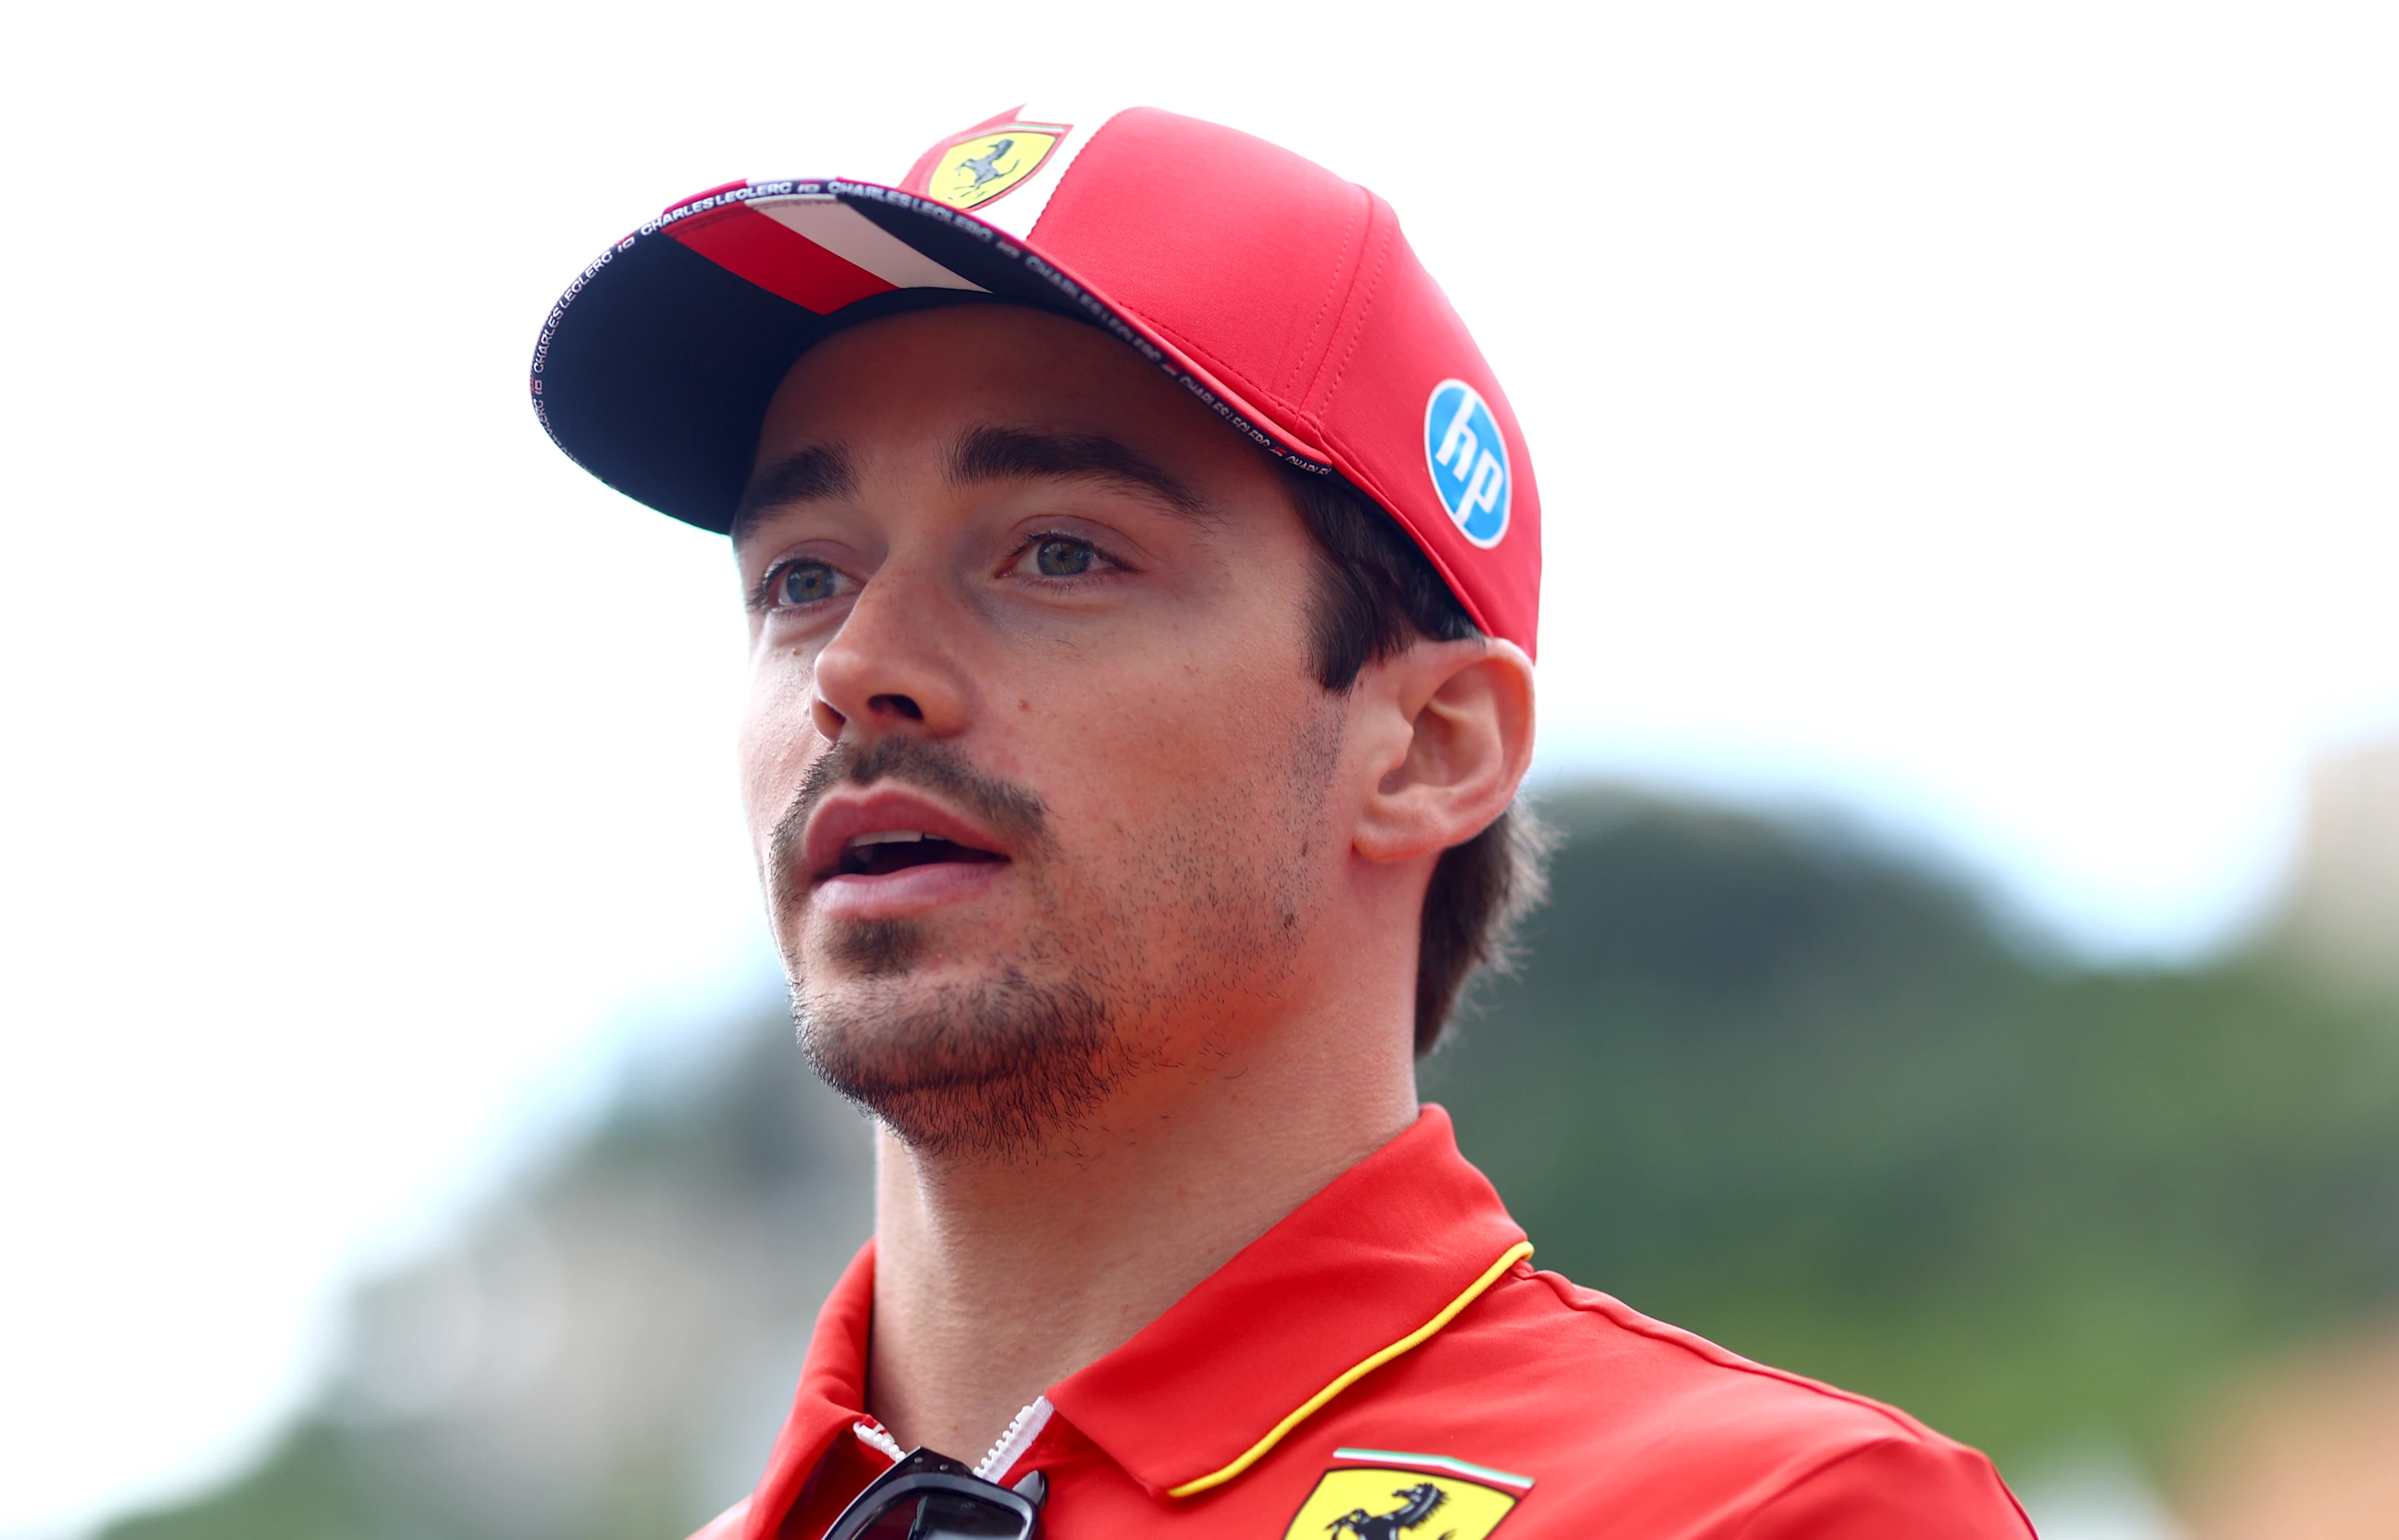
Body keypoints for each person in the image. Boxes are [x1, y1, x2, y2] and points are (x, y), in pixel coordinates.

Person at [530, 105, 2036, 1540]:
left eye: (1058, 552)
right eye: (803, 578)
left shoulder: (1776, 1517)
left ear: (1429, 746)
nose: (861, 668)